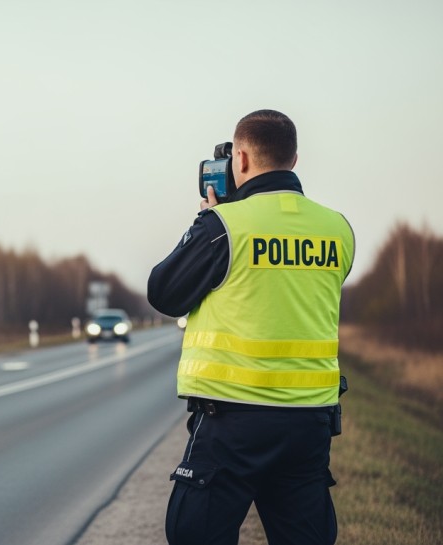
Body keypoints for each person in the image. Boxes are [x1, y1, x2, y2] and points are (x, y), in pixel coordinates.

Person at [147, 110, 355, 545]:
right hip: (309, 423)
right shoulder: (338, 230)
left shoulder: (223, 226)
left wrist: (206, 222)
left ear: (239, 159)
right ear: (293, 159)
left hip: (232, 421)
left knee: (194, 534)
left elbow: (164, 294)